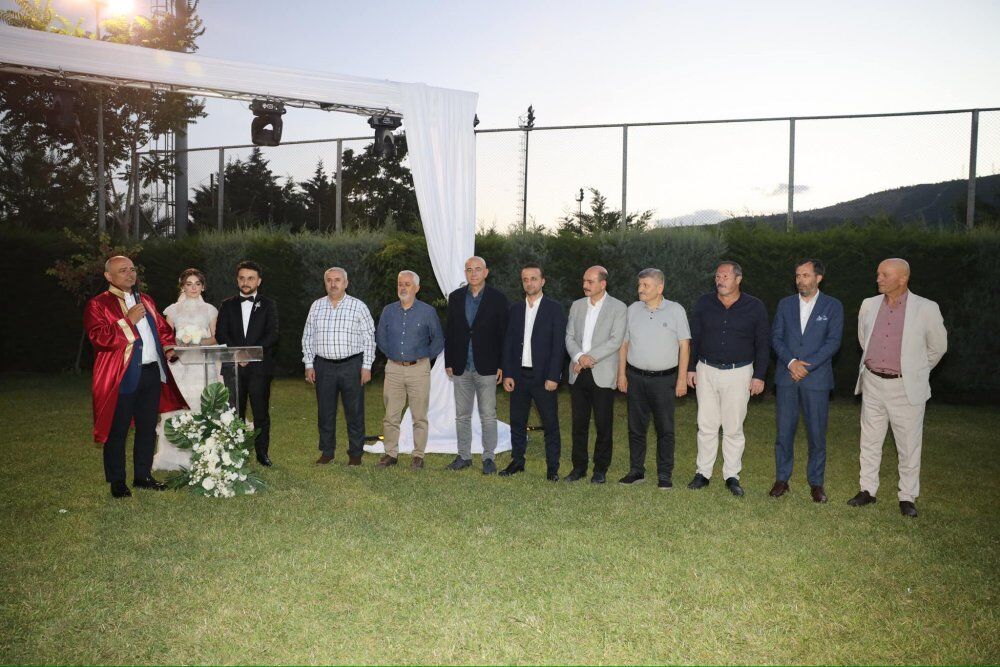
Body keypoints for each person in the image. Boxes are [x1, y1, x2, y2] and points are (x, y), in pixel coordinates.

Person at [848, 258, 947, 518]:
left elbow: (938, 348)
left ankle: (907, 497)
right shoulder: (869, 305)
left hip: (905, 387)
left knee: (909, 445)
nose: (878, 279)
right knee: (869, 440)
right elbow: (864, 339)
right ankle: (867, 490)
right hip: (872, 382)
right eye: (878, 274)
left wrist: (915, 371)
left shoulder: (926, 308)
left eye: (884, 275)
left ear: (903, 279)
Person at [83, 256, 186, 498]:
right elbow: (99, 338)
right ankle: (117, 482)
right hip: (122, 375)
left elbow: (162, 329)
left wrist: (169, 347)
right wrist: (127, 321)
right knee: (117, 430)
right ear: (108, 276)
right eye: (122, 270)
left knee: (147, 428)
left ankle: (143, 476)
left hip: (150, 373)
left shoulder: (146, 300)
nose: (130, 274)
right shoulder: (98, 304)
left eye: (132, 269)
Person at [686, 261, 769, 497]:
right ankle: (703, 473)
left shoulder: (755, 306)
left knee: (733, 427)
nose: (720, 280)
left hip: (739, 372)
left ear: (738, 279)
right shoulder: (704, 303)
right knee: (706, 425)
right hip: (706, 370)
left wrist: (759, 375)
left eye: (725, 276)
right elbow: (695, 337)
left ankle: (732, 475)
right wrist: (691, 369)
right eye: (717, 276)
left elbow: (763, 343)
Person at [769, 259, 844, 503]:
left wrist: (806, 366)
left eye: (805, 275)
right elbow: (776, 337)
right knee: (784, 433)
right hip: (787, 377)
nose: (800, 280)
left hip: (816, 380)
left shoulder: (832, 306)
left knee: (817, 434)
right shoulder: (785, 304)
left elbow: (833, 342)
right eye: (797, 276)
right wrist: (792, 363)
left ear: (818, 278)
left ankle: (816, 483)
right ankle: (782, 480)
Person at [616, 268, 690, 489]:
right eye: (639, 285)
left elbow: (684, 346)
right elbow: (624, 344)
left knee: (665, 429)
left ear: (660, 287)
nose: (640, 289)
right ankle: (636, 471)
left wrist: (682, 379)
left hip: (664, 381)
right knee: (636, 428)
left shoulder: (675, 310)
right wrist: (621, 374)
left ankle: (664, 474)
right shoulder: (632, 310)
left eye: (645, 285)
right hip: (635, 378)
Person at [303, 267, 376, 466]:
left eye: (337, 280)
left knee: (355, 412)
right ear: (325, 283)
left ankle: (355, 454)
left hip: (351, 366)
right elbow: (308, 337)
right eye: (329, 280)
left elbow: (369, 339)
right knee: (325, 412)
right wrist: (309, 364)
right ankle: (327, 452)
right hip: (323, 366)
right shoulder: (316, 306)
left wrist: (367, 366)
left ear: (346, 283)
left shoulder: (358, 306)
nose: (333, 284)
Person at [500, 263, 567, 481]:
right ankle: (517, 461)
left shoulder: (554, 309)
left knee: (550, 424)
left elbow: (558, 346)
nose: (529, 283)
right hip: (519, 376)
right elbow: (508, 343)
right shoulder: (515, 309)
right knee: (517, 422)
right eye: (525, 279)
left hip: (544, 378)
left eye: (533, 279)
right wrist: (508, 373)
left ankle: (552, 468)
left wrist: (553, 376)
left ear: (542, 281)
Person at [443, 256, 510, 474]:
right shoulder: (455, 297)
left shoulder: (498, 299)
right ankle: (464, 456)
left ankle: (488, 457)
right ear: (465, 273)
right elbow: (450, 331)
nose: (473, 273)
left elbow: (504, 335)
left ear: (486, 272)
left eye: (478, 269)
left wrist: (502, 365)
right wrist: (449, 361)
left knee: (488, 415)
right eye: (469, 269)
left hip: (488, 366)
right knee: (462, 415)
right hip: (461, 365)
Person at [375, 270, 444, 470]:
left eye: (407, 284)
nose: (403, 288)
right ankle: (390, 453)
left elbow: (438, 339)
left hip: (418, 369)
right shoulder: (388, 311)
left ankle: (418, 455)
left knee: (419, 415)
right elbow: (381, 338)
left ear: (417, 288)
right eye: (400, 284)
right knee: (391, 415)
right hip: (393, 369)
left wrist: (424, 357)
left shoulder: (427, 312)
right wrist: (394, 355)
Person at [564, 266, 627, 484]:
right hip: (578, 372)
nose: (585, 285)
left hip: (603, 373)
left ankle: (600, 469)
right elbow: (569, 336)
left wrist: (588, 358)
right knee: (578, 424)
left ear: (603, 284)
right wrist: (579, 357)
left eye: (590, 282)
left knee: (603, 424)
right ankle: (578, 468)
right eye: (584, 281)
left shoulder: (618, 307)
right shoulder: (577, 305)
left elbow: (616, 340)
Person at [154, 268, 219, 471]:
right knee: (180, 405)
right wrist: (179, 344)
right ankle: (175, 457)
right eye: (189, 284)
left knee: (202, 402)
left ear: (203, 287)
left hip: (203, 364)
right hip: (180, 365)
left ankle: (205, 454)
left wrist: (198, 341)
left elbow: (215, 337)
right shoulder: (172, 310)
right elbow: (166, 337)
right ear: (182, 286)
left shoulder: (210, 310)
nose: (193, 288)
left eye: (197, 284)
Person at [215, 260, 279, 467]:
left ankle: (262, 454)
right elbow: (221, 334)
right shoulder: (227, 305)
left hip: (259, 368)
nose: (246, 282)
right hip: (232, 368)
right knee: (234, 412)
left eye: (251, 278)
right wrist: (238, 354)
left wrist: (248, 355)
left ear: (258, 281)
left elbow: (272, 334)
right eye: (242, 278)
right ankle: (236, 453)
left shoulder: (268, 304)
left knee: (260, 413)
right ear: (237, 280)